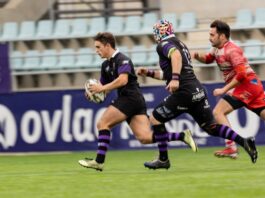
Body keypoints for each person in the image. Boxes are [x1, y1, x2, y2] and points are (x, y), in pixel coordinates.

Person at [137, 19, 258, 170]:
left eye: (156, 32)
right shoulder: (180, 43)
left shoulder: (163, 45)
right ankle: (244, 141)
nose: (155, 36)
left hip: (185, 93)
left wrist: (174, 79)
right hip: (197, 90)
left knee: (155, 118)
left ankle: (163, 159)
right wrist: (148, 73)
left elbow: (175, 57)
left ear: (160, 32)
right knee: (212, 128)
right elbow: (172, 72)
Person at [78, 32, 198, 171]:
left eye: (98, 47)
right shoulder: (106, 65)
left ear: (107, 45)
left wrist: (101, 88)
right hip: (134, 101)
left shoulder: (123, 59)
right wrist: (94, 92)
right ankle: (182, 136)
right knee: (145, 138)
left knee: (103, 123)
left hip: (130, 98)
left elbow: (123, 80)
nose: (96, 51)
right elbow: (104, 88)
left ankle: (99, 161)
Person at [193, 20, 265, 159]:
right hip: (252, 86)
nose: (210, 37)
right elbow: (208, 59)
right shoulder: (216, 48)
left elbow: (242, 74)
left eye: (212, 35)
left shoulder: (232, 50)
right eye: (210, 34)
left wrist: (223, 89)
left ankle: (231, 147)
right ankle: (232, 148)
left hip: (246, 86)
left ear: (222, 36)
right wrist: (197, 56)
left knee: (218, 112)